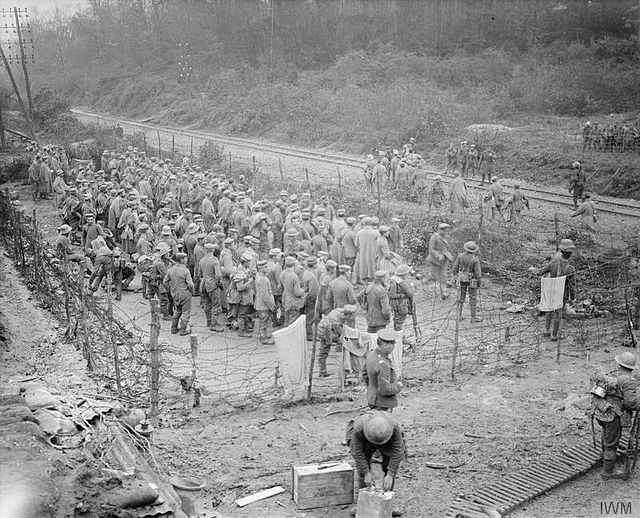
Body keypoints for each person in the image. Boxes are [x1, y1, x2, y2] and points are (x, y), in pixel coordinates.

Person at [591, 351, 640, 479]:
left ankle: (604, 457)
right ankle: (608, 471)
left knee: (606, 435)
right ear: (631, 367)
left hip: (600, 414)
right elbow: (631, 404)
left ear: (619, 363)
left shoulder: (609, 375)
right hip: (614, 416)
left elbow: (596, 394)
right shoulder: (629, 381)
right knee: (612, 444)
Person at [349, 411, 405, 517]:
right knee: (362, 471)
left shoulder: (393, 427)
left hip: (388, 441)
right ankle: (363, 505)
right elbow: (357, 451)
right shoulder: (359, 428)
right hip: (366, 442)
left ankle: (387, 505)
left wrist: (390, 474)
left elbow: (397, 451)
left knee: (389, 466)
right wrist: (366, 472)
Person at [533, 239, 576, 341]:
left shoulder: (553, 264)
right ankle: (554, 335)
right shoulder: (570, 269)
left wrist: (533, 270)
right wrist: (573, 298)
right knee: (558, 313)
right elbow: (572, 285)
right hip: (562, 294)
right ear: (570, 254)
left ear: (561, 252)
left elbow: (541, 271)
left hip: (551, 292)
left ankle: (547, 330)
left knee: (549, 310)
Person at [363, 328, 402, 411]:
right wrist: (398, 386)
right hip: (382, 404)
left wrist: (372, 388)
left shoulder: (370, 355)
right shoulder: (383, 364)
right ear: (385, 345)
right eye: (393, 344)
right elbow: (385, 390)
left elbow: (364, 374)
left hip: (372, 399)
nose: (394, 347)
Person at [316, 305, 355, 377]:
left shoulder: (340, 311)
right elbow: (342, 334)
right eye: (352, 316)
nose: (353, 318)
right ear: (347, 315)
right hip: (324, 331)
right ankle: (322, 372)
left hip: (331, 330)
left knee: (345, 343)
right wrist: (348, 340)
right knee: (324, 351)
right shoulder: (335, 320)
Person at [163, 252, 194, 336]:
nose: (186, 260)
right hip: (185, 293)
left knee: (177, 311)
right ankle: (183, 330)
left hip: (175, 293)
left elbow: (165, 282)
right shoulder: (185, 270)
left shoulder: (170, 270)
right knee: (186, 312)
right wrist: (191, 291)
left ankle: (174, 328)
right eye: (185, 258)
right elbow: (190, 284)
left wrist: (170, 290)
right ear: (181, 260)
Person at [452, 241, 483, 323]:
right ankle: (473, 317)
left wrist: (455, 277)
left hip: (461, 279)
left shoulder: (460, 256)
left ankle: (459, 316)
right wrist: (479, 282)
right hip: (472, 280)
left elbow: (455, 268)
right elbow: (478, 274)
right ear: (474, 250)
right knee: (473, 298)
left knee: (460, 297)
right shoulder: (475, 259)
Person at [199, 243, 225, 332]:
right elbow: (218, 275)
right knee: (216, 305)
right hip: (212, 285)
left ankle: (209, 322)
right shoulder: (214, 260)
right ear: (213, 250)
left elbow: (199, 274)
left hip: (203, 284)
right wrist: (219, 283)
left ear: (206, 250)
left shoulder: (202, 260)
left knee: (207, 304)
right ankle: (215, 324)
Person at [426, 223, 453, 300]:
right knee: (435, 277)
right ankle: (426, 279)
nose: (446, 233)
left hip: (443, 260)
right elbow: (431, 250)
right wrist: (438, 255)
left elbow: (444, 248)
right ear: (440, 230)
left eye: (446, 231)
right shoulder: (434, 237)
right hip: (435, 260)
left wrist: (447, 254)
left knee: (443, 276)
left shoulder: (445, 237)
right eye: (444, 231)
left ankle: (443, 292)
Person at [388, 264, 415, 333]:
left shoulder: (393, 279)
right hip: (401, 304)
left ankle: (397, 335)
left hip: (395, 304)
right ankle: (399, 338)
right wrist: (412, 286)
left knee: (397, 319)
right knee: (400, 321)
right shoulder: (401, 282)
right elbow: (410, 293)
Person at [254, 259, 276, 345]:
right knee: (265, 321)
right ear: (261, 268)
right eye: (265, 267)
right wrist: (271, 306)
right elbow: (265, 296)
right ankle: (264, 338)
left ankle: (264, 334)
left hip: (260, 303)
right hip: (264, 305)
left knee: (263, 320)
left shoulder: (258, 276)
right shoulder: (263, 279)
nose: (267, 269)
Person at [280, 256, 305, 326]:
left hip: (286, 300)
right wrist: (303, 291)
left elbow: (280, 287)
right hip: (293, 302)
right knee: (293, 324)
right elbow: (297, 293)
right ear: (294, 265)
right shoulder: (294, 276)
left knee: (287, 320)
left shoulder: (283, 273)